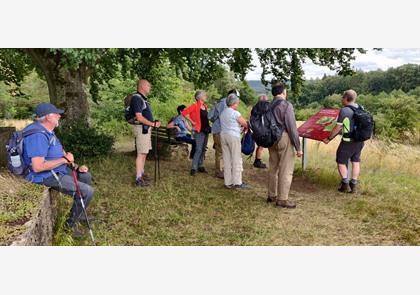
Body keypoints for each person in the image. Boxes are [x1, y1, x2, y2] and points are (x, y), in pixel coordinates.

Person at [22, 102, 94, 238]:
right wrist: (64, 161)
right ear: (48, 117)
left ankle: (80, 214)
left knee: (85, 176)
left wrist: (76, 166)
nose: (59, 116)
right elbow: (37, 167)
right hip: (45, 176)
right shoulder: (37, 135)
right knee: (87, 191)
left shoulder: (48, 131)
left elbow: (61, 153)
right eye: (57, 114)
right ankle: (69, 227)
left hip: (57, 169)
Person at [267, 83, 302, 209]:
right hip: (283, 137)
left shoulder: (269, 105)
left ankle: (272, 195)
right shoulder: (286, 105)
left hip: (271, 139)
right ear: (283, 92)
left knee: (273, 167)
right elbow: (292, 127)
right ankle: (282, 199)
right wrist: (298, 147)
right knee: (286, 169)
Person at [323, 89, 365, 193]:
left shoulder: (344, 110)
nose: (341, 99)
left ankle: (345, 184)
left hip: (347, 141)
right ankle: (354, 184)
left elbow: (338, 128)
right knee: (356, 161)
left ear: (346, 98)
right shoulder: (361, 108)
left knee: (341, 161)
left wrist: (329, 138)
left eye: (342, 97)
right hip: (360, 140)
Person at [128, 79, 161, 187]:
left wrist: (152, 123)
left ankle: (141, 174)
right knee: (141, 153)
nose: (150, 88)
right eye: (148, 86)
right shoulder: (136, 98)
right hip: (142, 129)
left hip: (145, 129)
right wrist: (152, 124)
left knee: (144, 153)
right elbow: (139, 117)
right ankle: (138, 179)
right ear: (142, 86)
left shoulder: (142, 99)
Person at [220, 93, 249, 189]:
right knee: (236, 158)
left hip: (223, 135)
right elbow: (244, 124)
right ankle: (237, 182)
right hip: (233, 136)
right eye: (237, 103)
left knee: (227, 159)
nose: (237, 105)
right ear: (234, 103)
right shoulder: (235, 113)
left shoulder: (223, 112)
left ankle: (227, 182)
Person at [209, 89, 240, 179]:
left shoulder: (221, 101)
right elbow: (226, 118)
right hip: (220, 129)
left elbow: (213, 116)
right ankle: (219, 171)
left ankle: (223, 170)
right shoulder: (224, 103)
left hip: (218, 129)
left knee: (222, 151)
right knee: (220, 152)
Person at [182, 90, 211, 176]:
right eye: (204, 95)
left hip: (206, 129)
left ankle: (200, 165)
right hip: (199, 130)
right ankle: (194, 168)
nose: (206, 96)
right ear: (199, 97)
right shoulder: (194, 105)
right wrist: (192, 122)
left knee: (203, 149)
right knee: (198, 149)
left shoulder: (205, 106)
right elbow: (184, 113)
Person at [253, 94, 269, 169]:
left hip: (256, 128)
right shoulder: (264, 106)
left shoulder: (255, 107)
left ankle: (257, 160)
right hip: (262, 128)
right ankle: (257, 161)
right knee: (261, 145)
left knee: (260, 145)